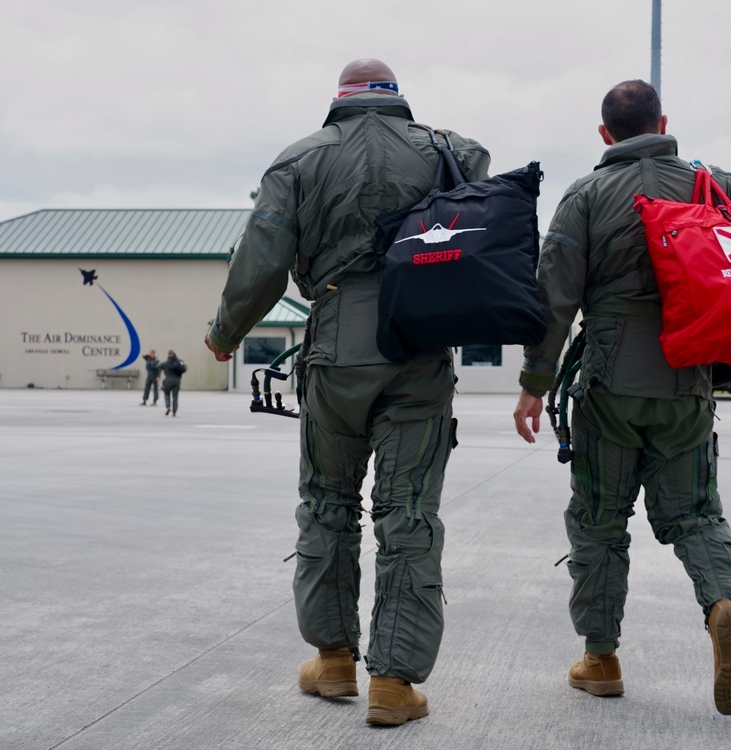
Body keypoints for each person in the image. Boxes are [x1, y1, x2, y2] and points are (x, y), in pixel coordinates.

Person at [204, 58, 490, 726]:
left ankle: (333, 662)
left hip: (334, 346)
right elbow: (484, 208)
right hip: (418, 348)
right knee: (408, 511)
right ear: (396, 96)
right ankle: (393, 682)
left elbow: (263, 259)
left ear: (338, 98)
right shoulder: (448, 150)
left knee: (328, 502)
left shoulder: (299, 159)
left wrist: (226, 332)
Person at [512, 79, 731, 716]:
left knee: (599, 522)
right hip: (687, 377)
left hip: (608, 381)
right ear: (662, 122)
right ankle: (724, 604)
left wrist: (535, 385)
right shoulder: (716, 183)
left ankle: (600, 658)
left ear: (605, 135)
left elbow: (555, 297)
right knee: (696, 515)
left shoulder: (587, 194)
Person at [160, 350, 184, 416]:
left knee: (166, 394)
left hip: (168, 381)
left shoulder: (166, 363)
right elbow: (184, 368)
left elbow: (158, 367)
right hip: (177, 381)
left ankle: (168, 406)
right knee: (175, 396)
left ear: (168, 354)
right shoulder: (179, 362)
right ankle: (174, 412)